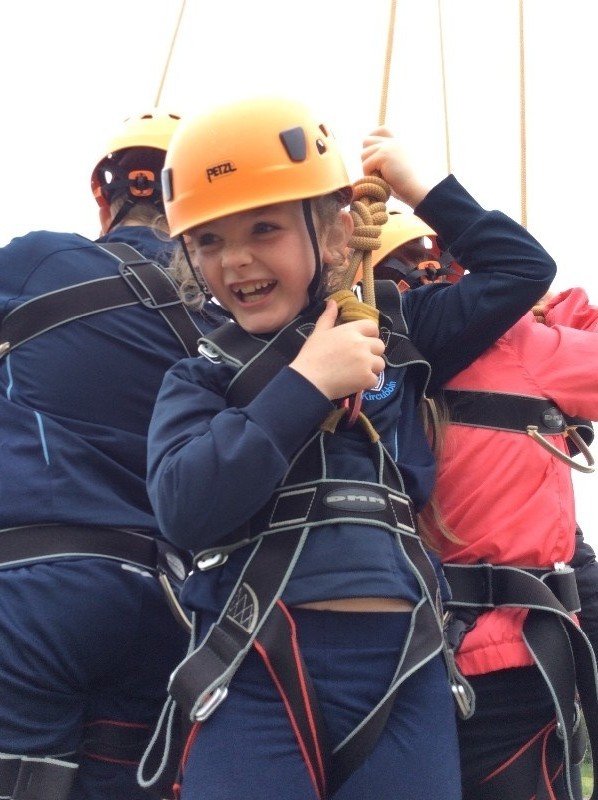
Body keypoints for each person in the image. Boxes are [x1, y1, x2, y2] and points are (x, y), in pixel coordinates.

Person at [144, 96, 556, 800]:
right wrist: (306, 384)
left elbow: (521, 269)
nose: (236, 259)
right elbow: (184, 506)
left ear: (335, 233)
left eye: (265, 227)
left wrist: (422, 188)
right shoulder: (205, 373)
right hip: (254, 661)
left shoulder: (395, 329)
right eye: (208, 241)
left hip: (407, 667)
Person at [0, 109, 225, 800]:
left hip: (35, 589)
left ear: (104, 193)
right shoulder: (231, 317)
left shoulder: (39, 261)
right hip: (168, 608)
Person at [367, 214, 598, 799]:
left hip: (399, 651)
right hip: (515, 641)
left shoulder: (357, 365)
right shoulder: (518, 346)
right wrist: (546, 307)